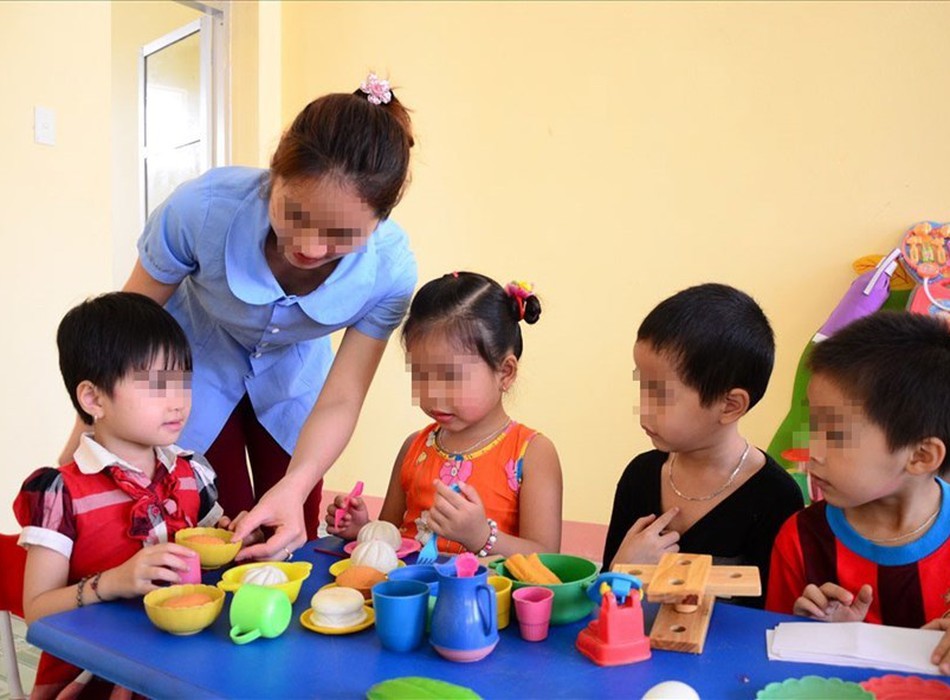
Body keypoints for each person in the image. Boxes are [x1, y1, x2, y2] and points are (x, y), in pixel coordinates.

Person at [58, 74, 417, 559]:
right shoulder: (201, 211)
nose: (310, 247)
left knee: (288, 527)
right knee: (214, 527)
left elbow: (343, 396)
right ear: (274, 173)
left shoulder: (390, 270)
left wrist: (295, 486)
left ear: (380, 221)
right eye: (295, 214)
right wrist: (76, 457)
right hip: (197, 366)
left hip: (292, 377)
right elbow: (119, 340)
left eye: (341, 236)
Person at [16, 292, 233, 698]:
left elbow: (213, 549)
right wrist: (114, 581)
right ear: (93, 399)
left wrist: (237, 538)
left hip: (183, 663)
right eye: (157, 386)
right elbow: (36, 611)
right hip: (94, 676)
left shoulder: (191, 473)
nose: (178, 402)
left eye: (183, 382)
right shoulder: (61, 492)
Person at [765, 311, 950, 675]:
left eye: (836, 435)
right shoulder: (801, 539)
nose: (811, 450)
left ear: (920, 456)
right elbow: (772, 661)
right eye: (814, 426)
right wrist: (816, 633)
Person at [326, 273, 563, 556]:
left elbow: (547, 558)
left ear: (505, 373)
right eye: (421, 376)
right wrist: (364, 529)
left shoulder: (533, 453)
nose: (433, 395)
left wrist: (482, 537)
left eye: (451, 377)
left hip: (486, 586)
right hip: (410, 585)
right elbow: (393, 535)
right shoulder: (414, 447)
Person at [602, 283, 803, 607]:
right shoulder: (640, 476)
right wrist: (621, 570)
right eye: (643, 386)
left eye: (661, 395)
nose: (644, 408)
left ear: (730, 406)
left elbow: (768, 617)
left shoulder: (775, 497)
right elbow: (606, 603)